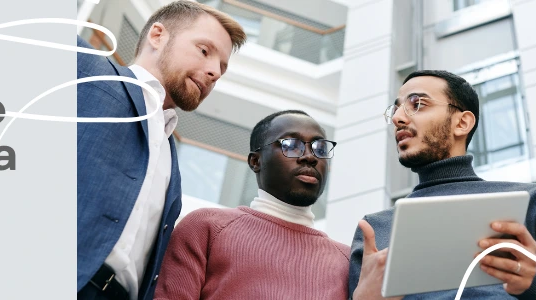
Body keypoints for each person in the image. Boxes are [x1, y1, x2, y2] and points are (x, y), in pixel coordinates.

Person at [349, 70, 536, 299]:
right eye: (396, 109)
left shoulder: (532, 200)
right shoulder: (373, 230)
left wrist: (534, 281)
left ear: (462, 123)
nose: (398, 118)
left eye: (417, 104)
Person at [76, 2, 245, 299]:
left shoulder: (171, 162)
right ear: (157, 36)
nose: (213, 72)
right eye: (205, 51)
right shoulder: (86, 69)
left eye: (221, 68)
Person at [154, 110, 350, 299]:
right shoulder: (206, 227)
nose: (310, 156)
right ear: (256, 161)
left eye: (320, 148)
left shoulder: (349, 262)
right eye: (291, 145)